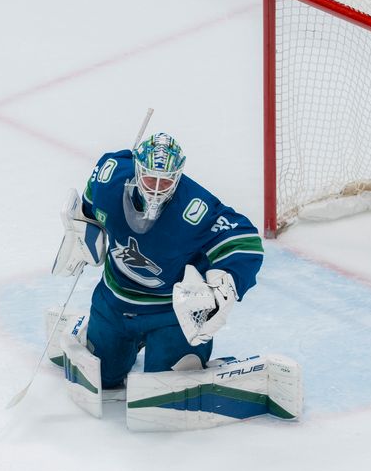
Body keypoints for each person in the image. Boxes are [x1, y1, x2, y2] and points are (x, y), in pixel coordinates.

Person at [66, 131, 264, 389]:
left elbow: (244, 240)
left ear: (178, 175)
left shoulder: (195, 206)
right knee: (102, 378)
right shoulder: (110, 177)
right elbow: (90, 206)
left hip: (172, 314)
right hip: (115, 301)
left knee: (164, 385)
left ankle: (163, 345)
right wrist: (82, 229)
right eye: (150, 178)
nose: (157, 189)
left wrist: (228, 279)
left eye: (166, 182)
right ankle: (127, 341)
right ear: (138, 169)